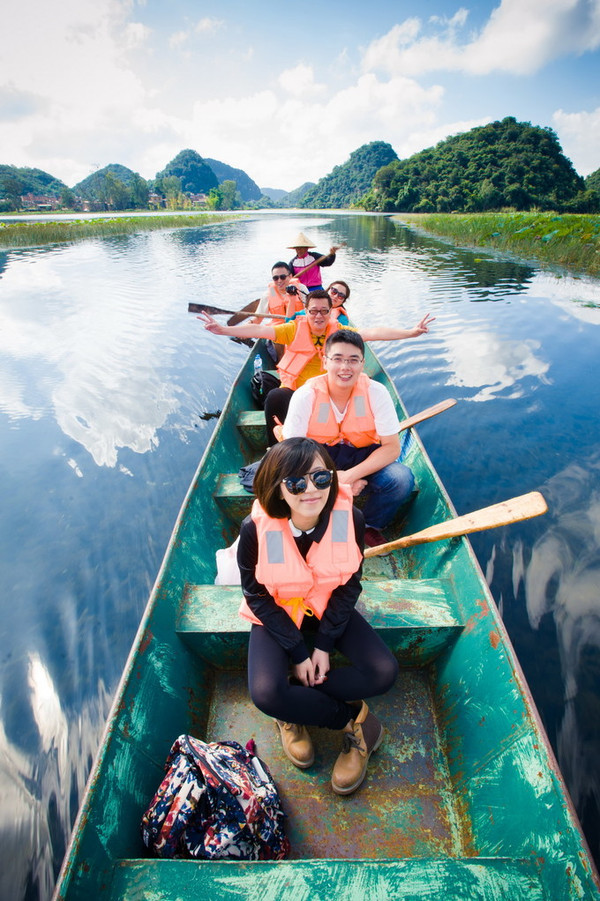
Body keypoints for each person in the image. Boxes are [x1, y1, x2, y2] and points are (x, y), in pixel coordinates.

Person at [237, 437, 398, 795]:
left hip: (327, 605)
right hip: (279, 609)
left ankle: (296, 701)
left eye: (321, 478)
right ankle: (350, 721)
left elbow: (349, 583)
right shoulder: (254, 529)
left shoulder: (351, 518)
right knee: (265, 692)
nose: (311, 490)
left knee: (384, 671)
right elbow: (256, 594)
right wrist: (297, 651)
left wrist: (323, 644)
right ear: (278, 489)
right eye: (296, 483)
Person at [199, 291, 434, 444]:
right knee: (274, 396)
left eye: (324, 311)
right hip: (298, 393)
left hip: (332, 394)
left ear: (331, 312)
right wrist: (224, 330)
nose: (318, 316)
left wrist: (410, 332)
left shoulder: (340, 333)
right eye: (313, 311)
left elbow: (372, 333)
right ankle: (278, 452)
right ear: (307, 311)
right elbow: (258, 331)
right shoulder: (292, 329)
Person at [282, 330, 414, 547]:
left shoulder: (376, 392)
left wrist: (350, 476)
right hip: (316, 460)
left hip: (363, 457)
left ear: (363, 364)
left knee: (401, 479)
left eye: (353, 360)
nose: (345, 367)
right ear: (324, 362)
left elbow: (391, 448)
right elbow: (292, 452)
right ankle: (315, 523)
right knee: (284, 480)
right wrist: (332, 479)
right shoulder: (306, 395)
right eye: (338, 359)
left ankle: (369, 526)